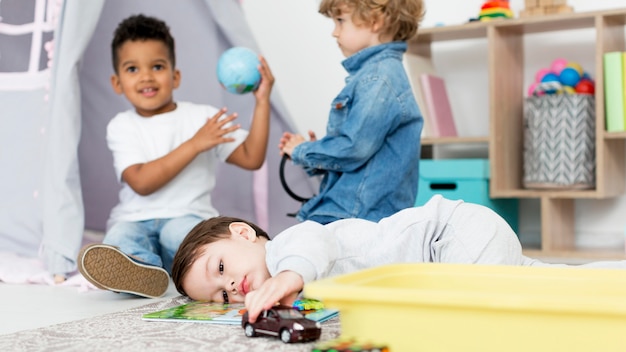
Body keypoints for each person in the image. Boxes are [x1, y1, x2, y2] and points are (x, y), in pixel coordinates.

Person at [171, 194, 626, 323]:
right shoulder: (290, 290)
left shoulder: (291, 245)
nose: (231, 289)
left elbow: (311, 250)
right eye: (219, 297)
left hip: (449, 238)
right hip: (459, 252)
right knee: (550, 284)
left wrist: (286, 277)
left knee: (478, 323)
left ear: (245, 233)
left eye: (222, 270)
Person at [77, 14, 275, 298]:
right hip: (135, 218)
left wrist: (262, 101)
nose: (146, 76)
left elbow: (251, 157)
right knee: (119, 239)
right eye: (132, 69)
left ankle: (170, 268)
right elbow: (142, 182)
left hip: (188, 218)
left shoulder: (202, 117)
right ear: (117, 82)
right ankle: (144, 271)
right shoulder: (121, 125)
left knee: (181, 237)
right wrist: (195, 144)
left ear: (175, 75)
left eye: (157, 66)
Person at [278, 0, 425, 224]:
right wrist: (314, 155)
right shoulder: (376, 76)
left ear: (375, 22)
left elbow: (353, 148)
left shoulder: (378, 79)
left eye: (340, 21)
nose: (334, 33)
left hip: (355, 216)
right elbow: (365, 158)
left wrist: (303, 150)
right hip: (355, 212)